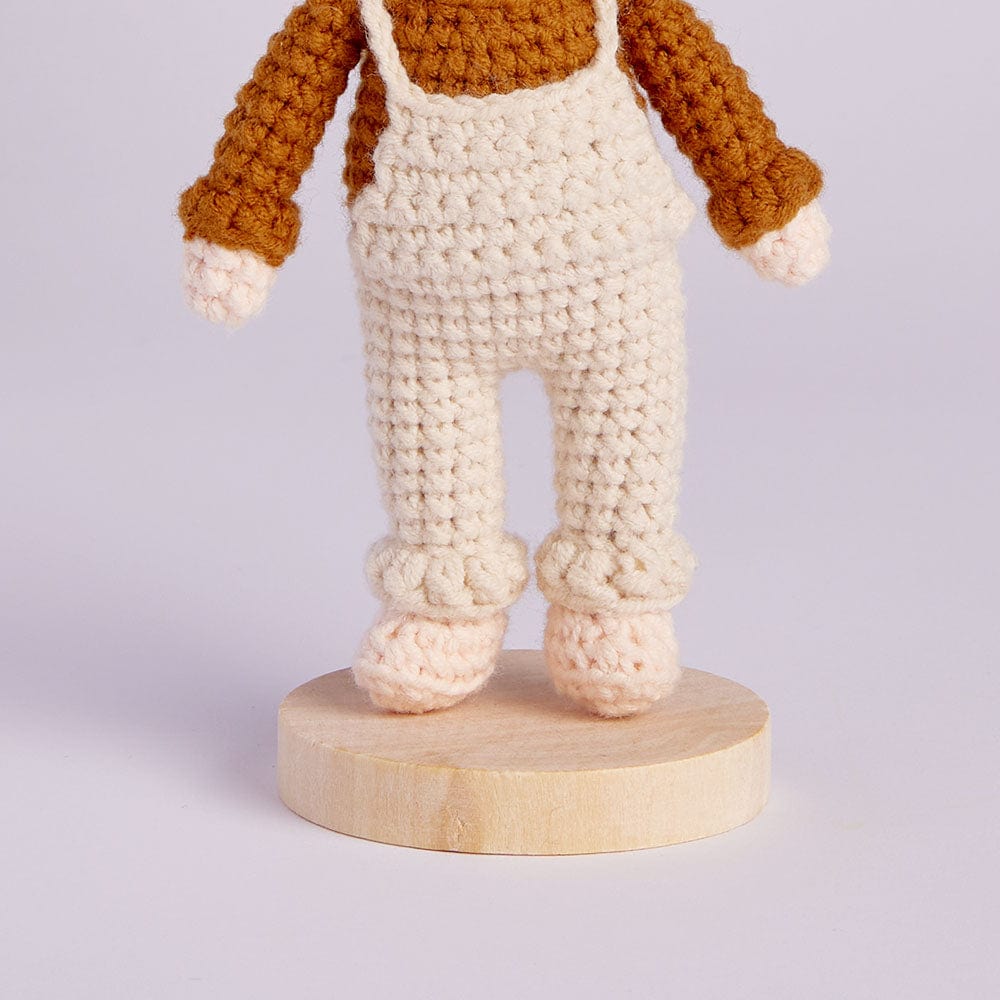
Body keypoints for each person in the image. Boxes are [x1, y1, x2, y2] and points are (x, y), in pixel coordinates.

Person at [179, 0, 830, 716]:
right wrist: (240, 218)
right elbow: (286, 100)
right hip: (426, 299)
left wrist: (757, 185)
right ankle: (445, 599)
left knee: (623, 448)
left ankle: (611, 600)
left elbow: (694, 76)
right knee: (431, 463)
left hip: (613, 278)